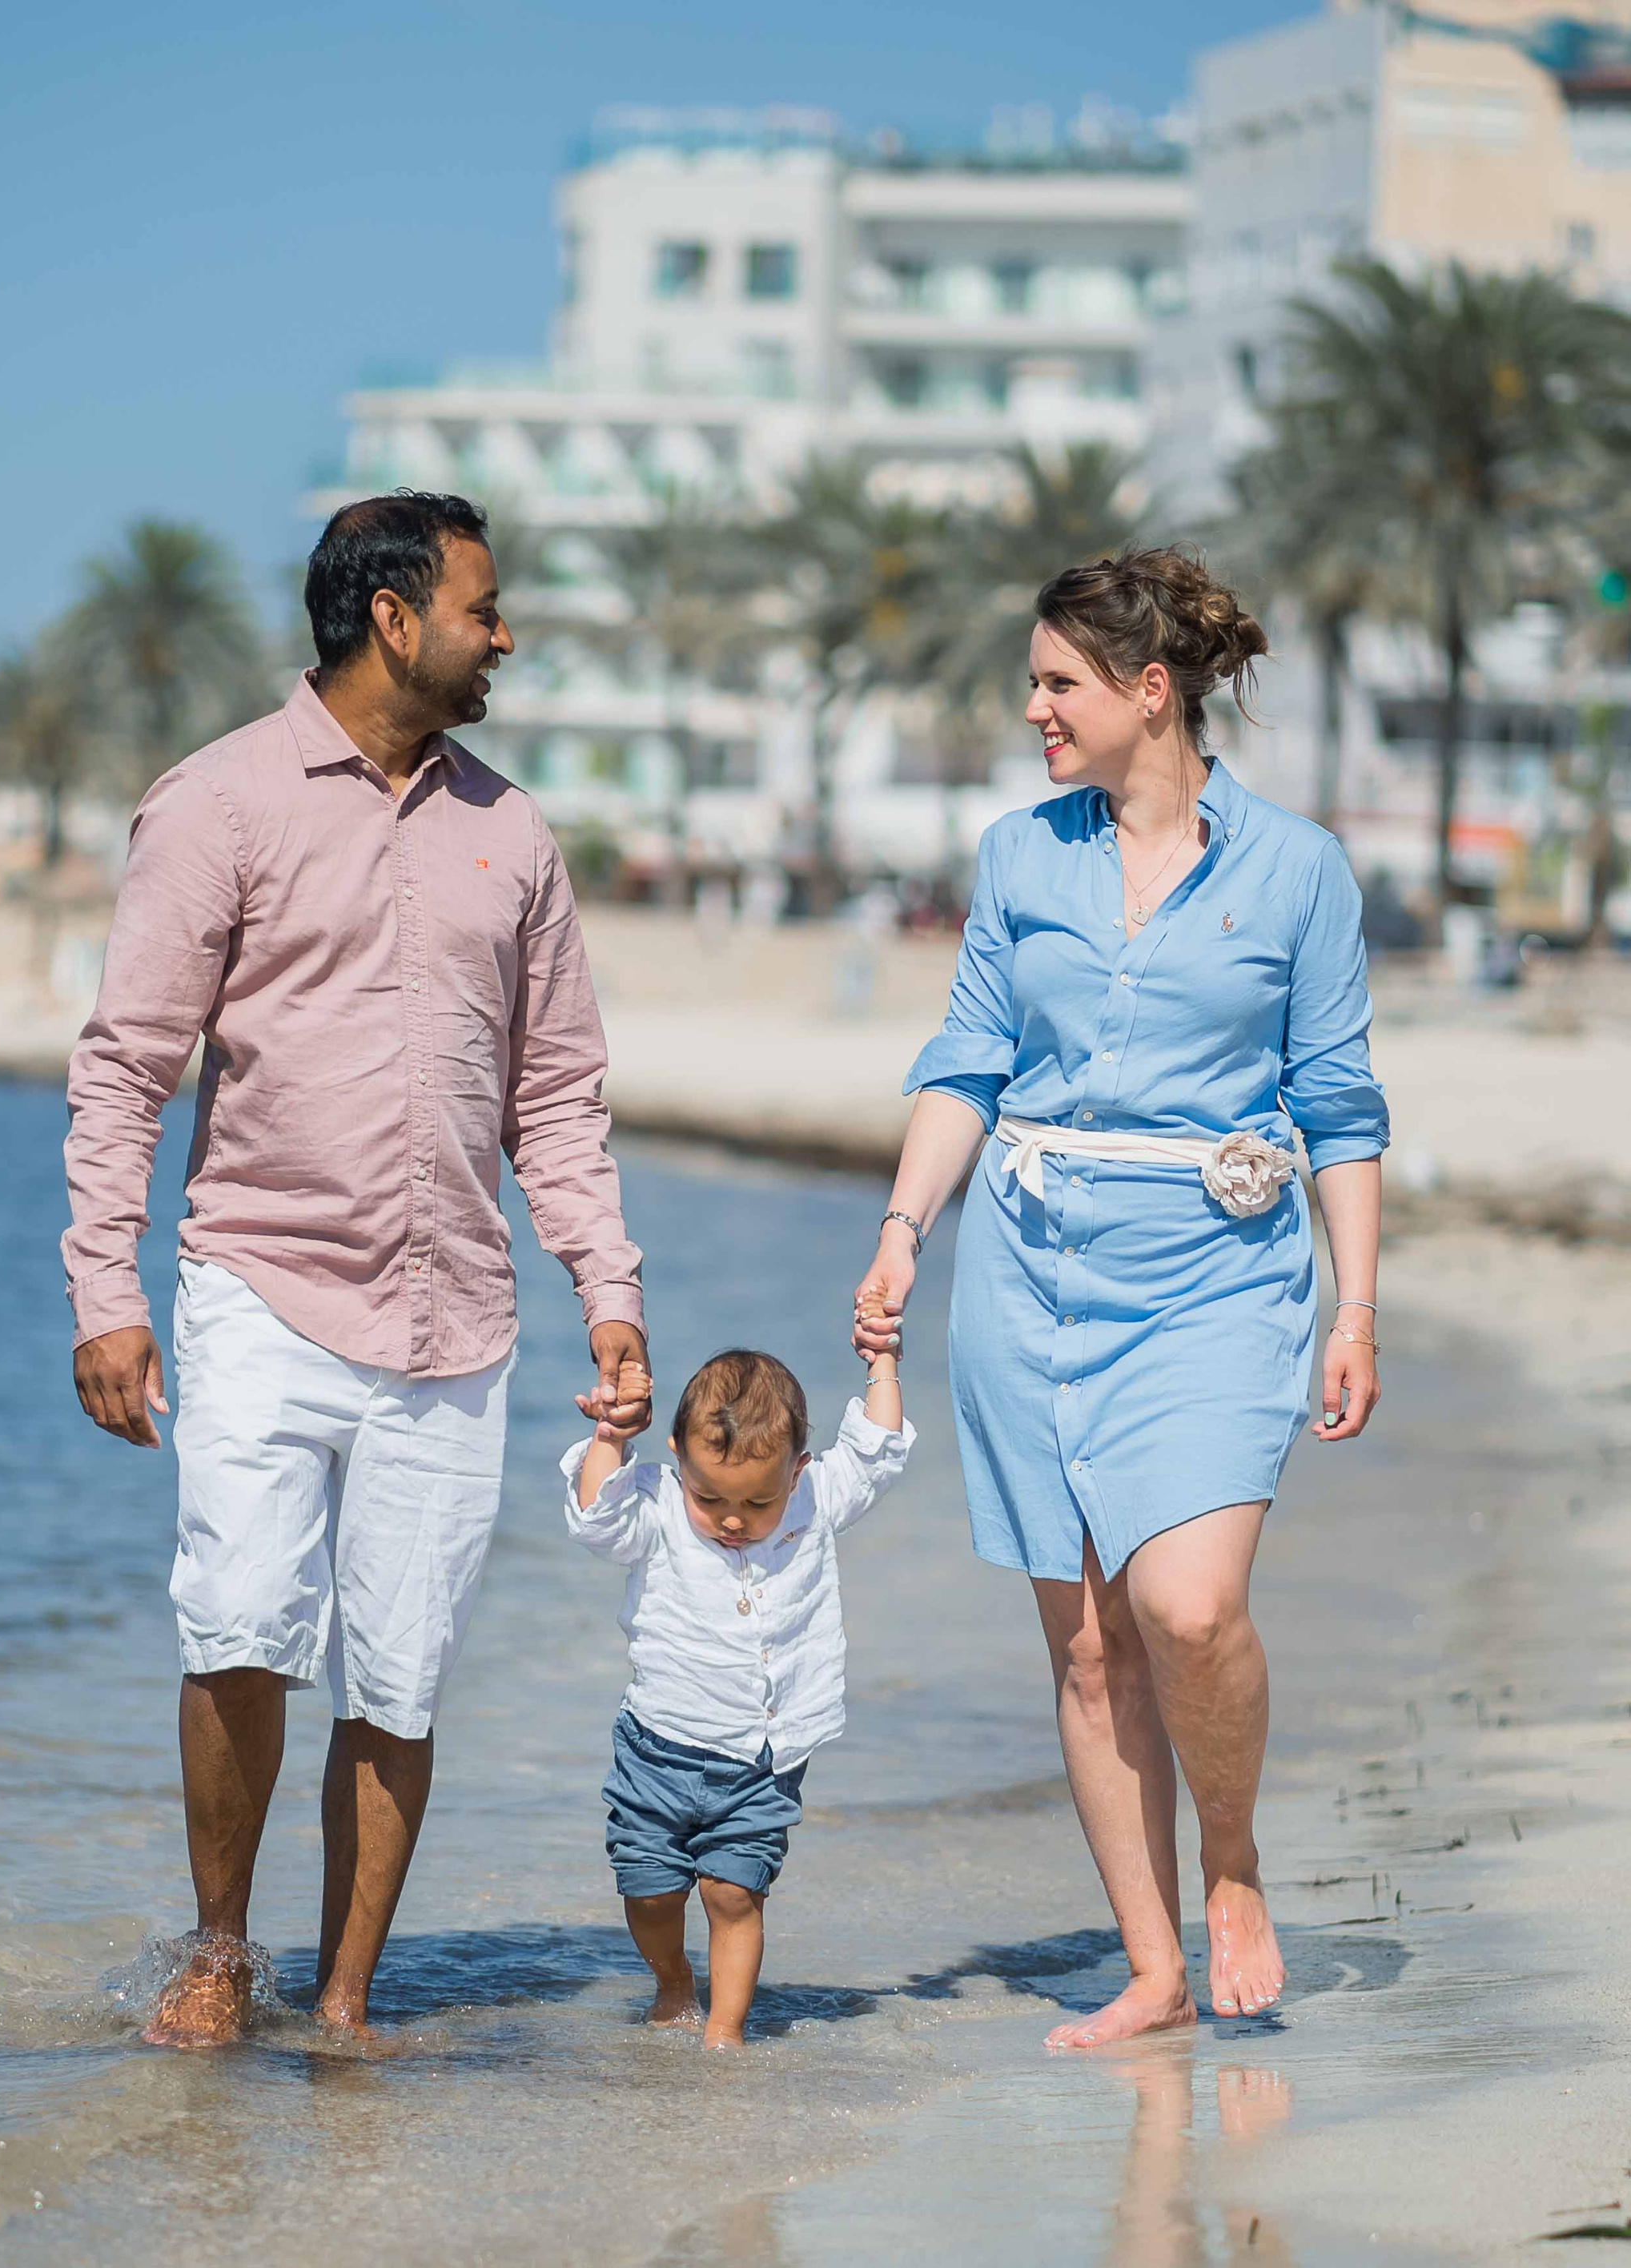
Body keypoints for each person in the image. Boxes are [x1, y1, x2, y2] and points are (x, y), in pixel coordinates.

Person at [62, 490, 651, 2047]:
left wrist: (607, 1292)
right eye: (485, 606)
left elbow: (555, 1098)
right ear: (392, 616)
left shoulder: (509, 833)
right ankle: (215, 1953)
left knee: (396, 1676)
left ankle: (339, 2002)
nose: (503, 634)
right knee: (239, 1625)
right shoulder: (218, 804)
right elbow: (127, 1066)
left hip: (453, 1318)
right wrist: (104, 1296)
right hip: (258, 1284)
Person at [853, 547, 1388, 2052]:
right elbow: (968, 1059)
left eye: (1057, 682)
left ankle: (1232, 1861)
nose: (1033, 707)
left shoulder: (1299, 870)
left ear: (1151, 694)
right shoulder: (1026, 855)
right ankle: (1152, 1968)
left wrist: (1355, 1309)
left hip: (1217, 1275)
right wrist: (904, 1230)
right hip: (1028, 1276)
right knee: (1089, 1646)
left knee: (1188, 1607)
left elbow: (1340, 1103)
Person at [564, 1340, 911, 2048]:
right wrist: (609, 1439)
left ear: (798, 1473)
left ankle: (725, 2032)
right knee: (649, 1892)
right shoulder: (657, 1506)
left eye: (759, 1501)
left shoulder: (813, 1500)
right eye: (710, 1497)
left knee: (733, 1892)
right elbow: (596, 1518)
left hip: (763, 1757)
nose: (732, 1518)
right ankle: (672, 1984)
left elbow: (876, 1453)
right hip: (657, 1748)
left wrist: (882, 1362)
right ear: (676, 1462)